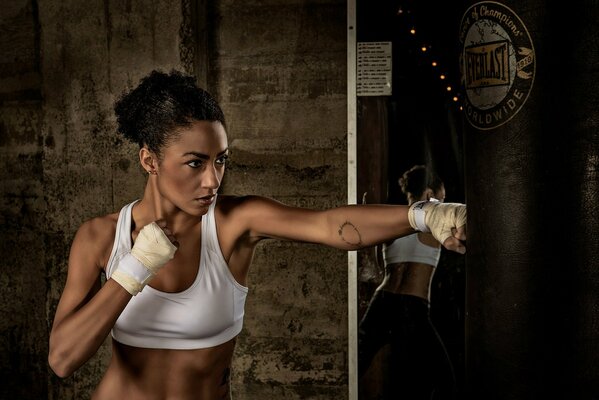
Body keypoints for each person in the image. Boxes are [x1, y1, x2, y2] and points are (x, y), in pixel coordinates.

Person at [47, 70, 466, 399]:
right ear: (149, 160)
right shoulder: (101, 237)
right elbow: (63, 360)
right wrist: (134, 268)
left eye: (221, 160)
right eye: (195, 162)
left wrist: (422, 215)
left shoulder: (233, 223)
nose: (213, 180)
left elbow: (327, 225)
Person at [358, 164, 459, 399]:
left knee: (353, 363)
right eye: (441, 198)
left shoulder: (390, 222)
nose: (443, 203)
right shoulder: (436, 220)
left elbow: (373, 267)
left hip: (382, 302)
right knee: (445, 382)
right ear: (428, 194)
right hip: (412, 308)